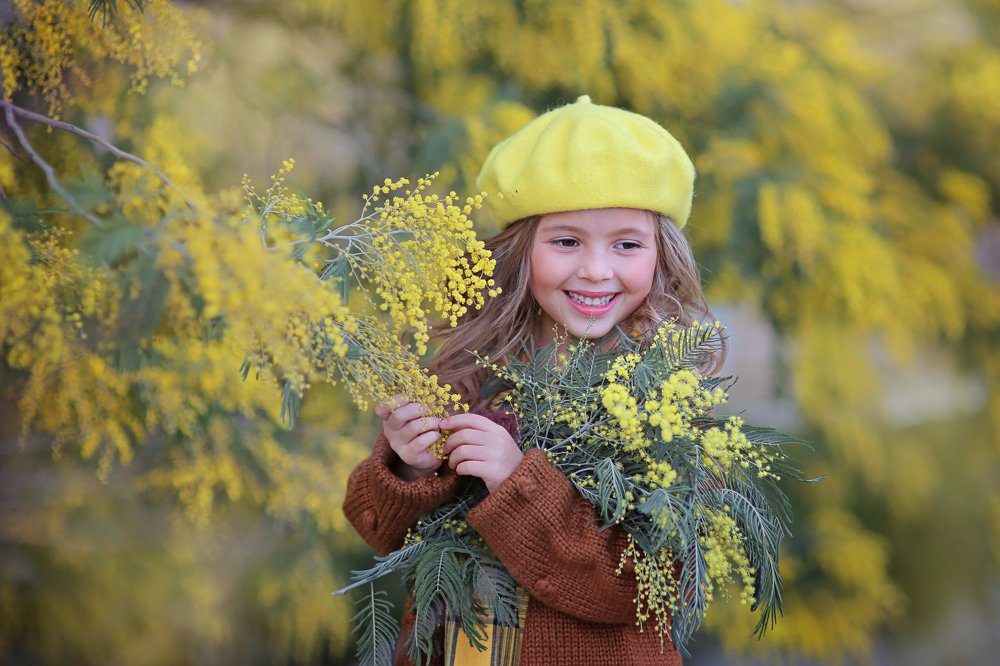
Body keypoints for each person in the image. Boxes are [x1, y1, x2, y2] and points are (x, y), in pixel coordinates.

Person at [343, 95, 721, 666]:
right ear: (522, 253)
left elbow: (649, 589)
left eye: (627, 243)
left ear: (661, 256)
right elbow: (381, 532)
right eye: (566, 241)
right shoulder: (472, 369)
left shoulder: (669, 401)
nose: (596, 269)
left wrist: (517, 481)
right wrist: (409, 466)